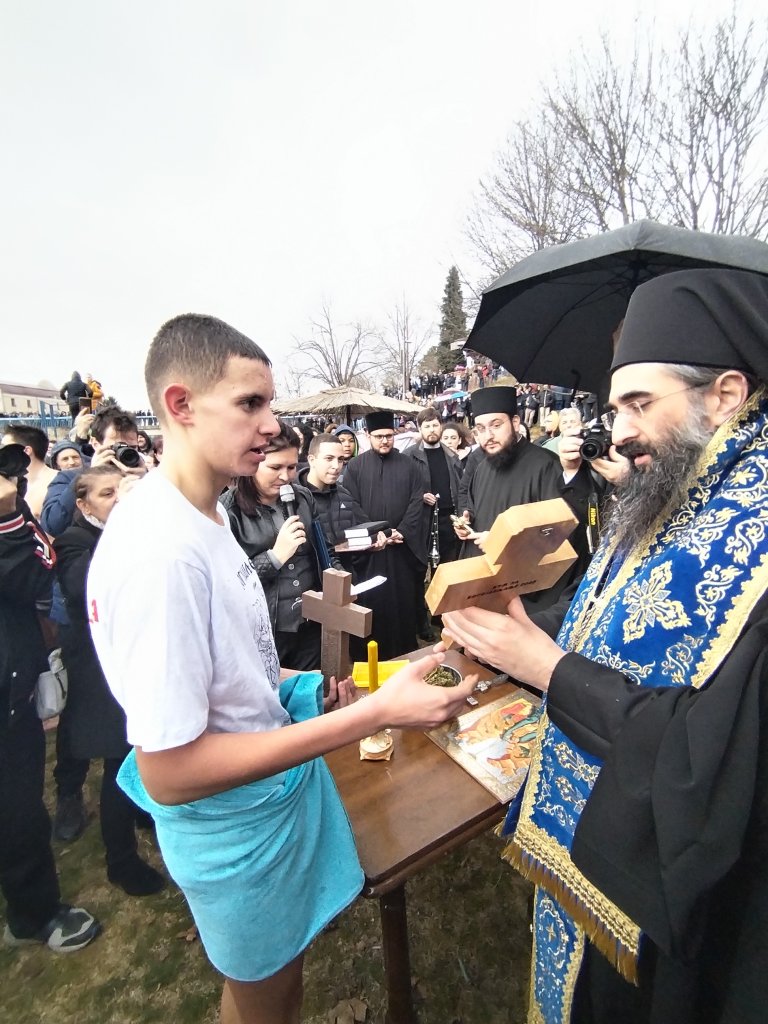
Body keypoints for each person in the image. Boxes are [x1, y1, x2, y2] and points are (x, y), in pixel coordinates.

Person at [87, 313, 475, 1024]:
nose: (272, 425)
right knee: (264, 999)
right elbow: (170, 770)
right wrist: (374, 715)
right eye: (250, 403)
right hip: (232, 829)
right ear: (180, 404)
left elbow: (234, 669)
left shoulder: (204, 517)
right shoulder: (160, 554)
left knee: (278, 983)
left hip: (260, 802)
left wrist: (309, 686)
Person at [441, 268, 768, 1024]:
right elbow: (616, 625)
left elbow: (711, 758)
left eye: (639, 404)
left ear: (725, 394)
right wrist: (510, 637)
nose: (616, 431)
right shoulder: (684, 487)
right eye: (614, 407)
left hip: (684, 904)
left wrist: (547, 669)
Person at [0, 444, 101, 953]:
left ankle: (32, 912)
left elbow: (39, 566)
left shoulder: (9, 509)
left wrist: (9, 515)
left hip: (10, 692)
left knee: (17, 807)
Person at [54, 466, 165, 895]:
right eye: (106, 494)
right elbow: (88, 589)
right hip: (100, 669)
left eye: (121, 490)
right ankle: (121, 860)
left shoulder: (132, 529)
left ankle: (144, 811)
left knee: (144, 747)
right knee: (120, 757)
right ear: (83, 504)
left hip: (137, 657)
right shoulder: (74, 542)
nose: (118, 500)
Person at [455, 386, 591, 611]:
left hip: (526, 594)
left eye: (496, 425)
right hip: (487, 585)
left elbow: (560, 535)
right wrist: (466, 523)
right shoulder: (482, 468)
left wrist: (501, 543)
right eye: (480, 429)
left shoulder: (547, 466)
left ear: (515, 422)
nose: (488, 436)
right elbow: (476, 512)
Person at [221, 420, 340, 671]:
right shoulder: (227, 511)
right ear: (253, 461)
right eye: (275, 467)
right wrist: (274, 557)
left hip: (311, 623)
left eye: (292, 467)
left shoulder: (303, 497)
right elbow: (228, 582)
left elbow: (324, 549)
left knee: (313, 689)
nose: (285, 477)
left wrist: (337, 576)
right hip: (265, 629)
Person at [338, 410, 427, 660]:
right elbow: (351, 503)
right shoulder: (355, 467)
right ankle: (369, 655)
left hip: (401, 549)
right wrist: (376, 532)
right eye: (379, 436)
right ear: (368, 435)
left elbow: (416, 501)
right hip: (371, 551)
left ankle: (403, 652)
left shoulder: (409, 465)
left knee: (402, 602)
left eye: (389, 435)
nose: (385, 441)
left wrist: (401, 531)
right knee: (372, 601)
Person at [403, 407, 462, 566]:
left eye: (435, 425)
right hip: (421, 519)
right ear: (419, 428)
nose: (432, 430)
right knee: (418, 567)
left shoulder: (452, 455)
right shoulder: (408, 456)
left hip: (448, 519)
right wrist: (420, 496)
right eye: (427, 426)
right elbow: (402, 488)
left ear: (440, 426)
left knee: (447, 567)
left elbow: (460, 487)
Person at [0, 425, 57, 519]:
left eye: (6, 448)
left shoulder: (58, 483)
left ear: (26, 451)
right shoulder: (9, 483)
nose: (2, 453)